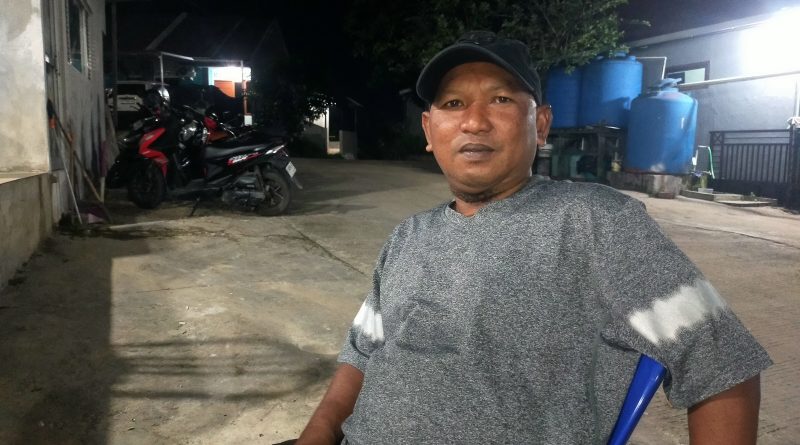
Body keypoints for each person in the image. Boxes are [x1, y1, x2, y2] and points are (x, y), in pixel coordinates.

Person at [295, 31, 772, 444]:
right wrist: (315, 436)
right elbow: (361, 354)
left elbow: (722, 365)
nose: (474, 121)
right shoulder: (407, 237)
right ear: (428, 129)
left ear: (541, 124)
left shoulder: (595, 222)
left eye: (501, 100)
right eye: (453, 104)